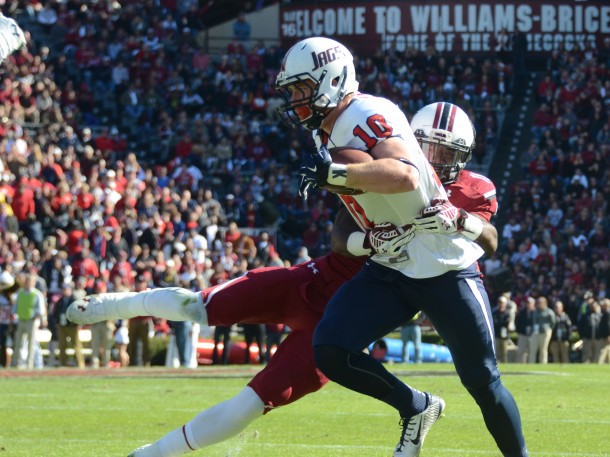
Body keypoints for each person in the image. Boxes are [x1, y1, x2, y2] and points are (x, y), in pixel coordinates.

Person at [66, 104, 507, 457]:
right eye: (425, 148)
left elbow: (473, 250)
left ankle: (151, 455)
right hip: (317, 279)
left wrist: (459, 224)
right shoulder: (385, 168)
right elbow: (341, 231)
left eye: (444, 154)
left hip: (355, 312)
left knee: (249, 403)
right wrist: (368, 239)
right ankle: (111, 305)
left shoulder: (465, 191)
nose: (431, 161)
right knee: (201, 305)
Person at [276, 38, 525, 457]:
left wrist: (334, 174)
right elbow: (344, 226)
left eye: (302, 88)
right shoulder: (330, 128)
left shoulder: (364, 114)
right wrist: (370, 238)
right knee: (331, 348)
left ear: (331, 80)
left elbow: (406, 175)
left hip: (445, 268)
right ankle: (416, 406)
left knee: (483, 381)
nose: (296, 99)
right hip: (392, 267)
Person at [11, 273, 47, 369]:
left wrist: (39, 319)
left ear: (34, 283)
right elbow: (16, 306)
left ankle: (29, 364)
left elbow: (41, 309)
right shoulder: (20, 292)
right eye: (26, 281)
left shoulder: (37, 294)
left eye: (30, 281)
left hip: (32, 321)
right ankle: (16, 363)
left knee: (31, 344)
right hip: (21, 320)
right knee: (18, 343)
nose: (27, 283)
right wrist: (13, 315)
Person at [52, 282, 85, 368]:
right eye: (63, 289)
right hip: (62, 326)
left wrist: (78, 324)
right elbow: (55, 313)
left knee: (76, 345)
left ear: (70, 290)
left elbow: (79, 313)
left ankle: (80, 364)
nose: (64, 291)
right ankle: (63, 363)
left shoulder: (74, 300)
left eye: (65, 289)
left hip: (72, 326)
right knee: (62, 345)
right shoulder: (60, 301)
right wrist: (57, 323)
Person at [528, 296, 555, 364]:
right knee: (532, 349)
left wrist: (548, 329)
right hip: (536, 332)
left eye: (540, 303)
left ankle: (543, 363)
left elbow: (553, 322)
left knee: (543, 349)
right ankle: (531, 364)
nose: (539, 304)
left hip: (545, 332)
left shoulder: (549, 312)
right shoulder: (535, 311)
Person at [515, 297, 535, 363]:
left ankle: (530, 365)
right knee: (521, 351)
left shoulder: (536, 312)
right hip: (523, 334)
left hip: (532, 335)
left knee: (531, 351)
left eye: (529, 303)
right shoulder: (522, 312)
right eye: (527, 303)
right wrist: (519, 331)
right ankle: (521, 365)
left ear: (533, 304)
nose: (528, 304)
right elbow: (517, 322)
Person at [492, 295, 511, 363]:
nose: (501, 304)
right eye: (500, 302)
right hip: (497, 334)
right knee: (496, 352)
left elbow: (506, 323)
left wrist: (500, 323)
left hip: (504, 335)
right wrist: (501, 323)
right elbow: (495, 323)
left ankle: (504, 364)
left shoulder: (507, 313)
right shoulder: (495, 312)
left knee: (504, 352)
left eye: (502, 302)